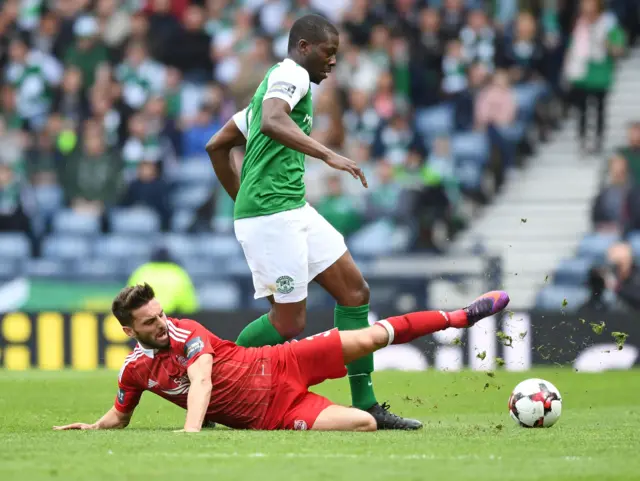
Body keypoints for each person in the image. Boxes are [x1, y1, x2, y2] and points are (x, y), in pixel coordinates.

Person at [205, 13, 416, 429]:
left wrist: (242, 197)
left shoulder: (272, 85)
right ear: (304, 47)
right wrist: (327, 154)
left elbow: (218, 145)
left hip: (291, 208)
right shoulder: (290, 75)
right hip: (272, 215)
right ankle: (212, 387)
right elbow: (272, 119)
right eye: (328, 52)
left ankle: (368, 405)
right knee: (289, 323)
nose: (333, 62)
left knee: (354, 292)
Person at [53, 283, 510, 432]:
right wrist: (95, 427)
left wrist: (190, 433)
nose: (160, 322)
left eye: (160, 313)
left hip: (281, 363)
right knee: (364, 425)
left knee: (370, 338)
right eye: (149, 322)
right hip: (276, 413)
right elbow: (120, 414)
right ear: (130, 331)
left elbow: (203, 384)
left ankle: (458, 316)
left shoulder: (186, 332)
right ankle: (367, 411)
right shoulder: (135, 369)